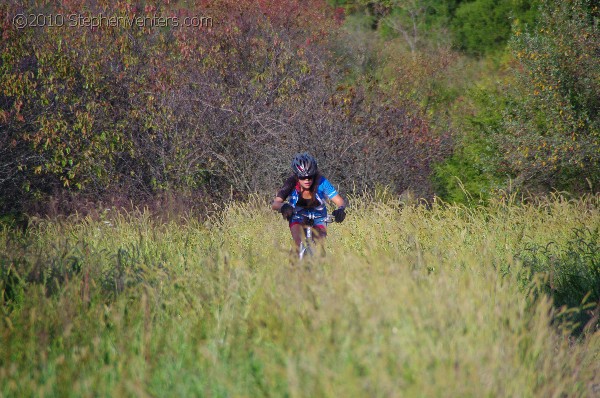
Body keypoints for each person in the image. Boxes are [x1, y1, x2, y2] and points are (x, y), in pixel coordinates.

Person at [271, 152, 346, 248]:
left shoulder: (322, 182)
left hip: (319, 216)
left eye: (310, 177)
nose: (307, 180)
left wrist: (341, 209)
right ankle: (295, 260)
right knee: (298, 243)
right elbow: (275, 204)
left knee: (319, 247)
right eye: (303, 177)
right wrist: (283, 206)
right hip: (297, 215)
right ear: (297, 176)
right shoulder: (291, 182)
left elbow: (339, 201)